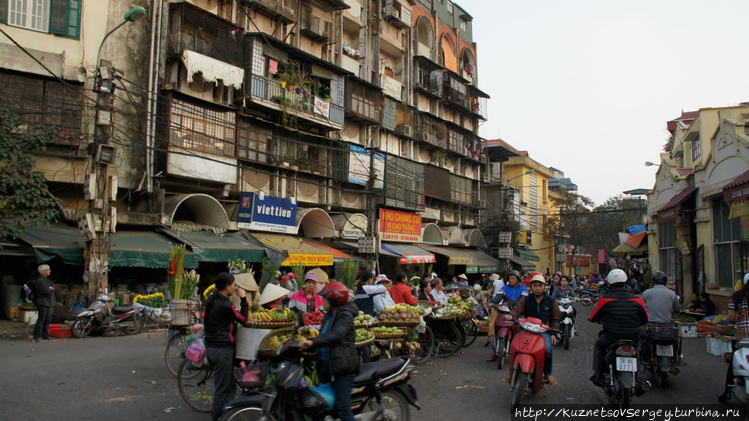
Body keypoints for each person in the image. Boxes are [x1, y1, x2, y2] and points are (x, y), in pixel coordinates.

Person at [299, 282, 359, 421]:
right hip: (328, 368)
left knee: (343, 410)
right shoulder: (328, 316)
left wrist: (312, 342)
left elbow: (335, 335)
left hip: (343, 367)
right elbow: (323, 337)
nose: (322, 300)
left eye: (324, 298)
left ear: (333, 300)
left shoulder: (345, 316)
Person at [588, 269, 648, 386]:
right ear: (626, 283)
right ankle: (639, 377)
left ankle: (598, 374)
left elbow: (593, 317)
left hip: (612, 336)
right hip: (633, 336)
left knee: (599, 346)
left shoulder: (605, 299)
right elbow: (645, 319)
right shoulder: (637, 299)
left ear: (609, 285)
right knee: (638, 350)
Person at [204, 272, 250, 421]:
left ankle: (227, 412)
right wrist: (243, 298)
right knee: (222, 388)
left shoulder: (213, 299)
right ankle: (217, 416)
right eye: (233, 284)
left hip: (211, 347)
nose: (234, 287)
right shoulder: (225, 305)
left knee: (230, 383)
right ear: (227, 286)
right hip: (222, 350)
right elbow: (243, 319)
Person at [503, 274, 561, 385]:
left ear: (544, 287)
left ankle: (548, 373)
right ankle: (511, 373)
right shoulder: (526, 300)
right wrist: (511, 315)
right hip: (528, 330)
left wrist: (553, 333)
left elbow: (556, 319)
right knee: (515, 347)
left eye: (540, 286)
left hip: (543, 332)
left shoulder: (552, 302)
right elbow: (517, 311)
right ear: (531, 287)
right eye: (535, 286)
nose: (537, 288)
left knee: (547, 350)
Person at [719, 273, 749, 403]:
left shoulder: (737, 297)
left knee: (733, 364)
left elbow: (731, 318)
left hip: (742, 336)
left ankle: (727, 392)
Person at [32, 264, 56, 343]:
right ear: (43, 272)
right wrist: (50, 289)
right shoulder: (40, 281)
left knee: (47, 319)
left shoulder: (46, 280)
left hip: (47, 302)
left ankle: (46, 335)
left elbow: (52, 287)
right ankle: (36, 336)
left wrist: (50, 289)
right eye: (48, 270)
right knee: (41, 319)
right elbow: (46, 291)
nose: (50, 271)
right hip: (42, 302)